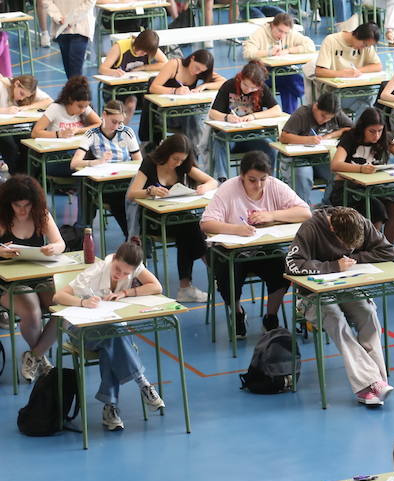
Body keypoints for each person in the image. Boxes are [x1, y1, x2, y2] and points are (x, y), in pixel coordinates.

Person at [285, 206, 394, 407]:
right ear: (333, 230)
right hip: (312, 295)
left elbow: (388, 251)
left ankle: (377, 384)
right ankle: (370, 383)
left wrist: (353, 260)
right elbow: (292, 264)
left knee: (368, 313)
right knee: (336, 320)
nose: (348, 250)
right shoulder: (310, 228)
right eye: (345, 246)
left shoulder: (359, 221)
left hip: (344, 286)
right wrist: (333, 265)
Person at [52, 240, 166, 432]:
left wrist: (126, 292)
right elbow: (58, 297)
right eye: (118, 269)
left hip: (110, 330)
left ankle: (110, 408)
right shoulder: (96, 271)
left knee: (111, 340)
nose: (120, 275)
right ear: (114, 259)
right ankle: (142, 382)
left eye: (126, 274)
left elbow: (156, 287)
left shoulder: (132, 267)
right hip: (79, 328)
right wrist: (82, 302)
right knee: (116, 334)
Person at [200, 151, 311, 334]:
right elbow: (206, 223)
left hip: (263, 248)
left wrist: (272, 215)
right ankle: (237, 313)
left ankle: (271, 316)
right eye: (252, 180)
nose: (258, 185)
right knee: (227, 273)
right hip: (228, 251)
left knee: (284, 267)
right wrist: (236, 229)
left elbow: (305, 212)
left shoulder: (275, 186)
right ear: (242, 176)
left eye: (263, 179)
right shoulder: (228, 189)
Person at [126, 133, 215, 301]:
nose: (178, 163)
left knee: (187, 231)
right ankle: (210, 264)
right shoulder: (150, 163)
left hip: (178, 217)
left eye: (182, 160)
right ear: (166, 153)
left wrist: (205, 187)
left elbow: (212, 181)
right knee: (191, 227)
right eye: (175, 159)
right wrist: (149, 191)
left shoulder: (183, 165)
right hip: (153, 220)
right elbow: (131, 194)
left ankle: (186, 287)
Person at [0, 175, 66, 381]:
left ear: (34, 203)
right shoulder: (2, 219)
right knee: (32, 312)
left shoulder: (41, 215)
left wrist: (54, 248)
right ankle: (40, 356)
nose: (22, 210)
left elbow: (60, 243)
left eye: (27, 205)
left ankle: (35, 355)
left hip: (39, 274)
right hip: (8, 281)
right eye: (17, 205)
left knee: (64, 308)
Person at [329, 108, 394, 243]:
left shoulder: (385, 138)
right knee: (376, 211)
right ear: (363, 128)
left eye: (380, 131)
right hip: (348, 188)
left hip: (376, 187)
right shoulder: (350, 137)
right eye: (372, 131)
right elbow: (335, 165)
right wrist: (360, 168)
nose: (377, 136)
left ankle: (387, 249)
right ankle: (373, 250)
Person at [70, 100, 142, 238]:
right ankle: (133, 237)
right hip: (105, 183)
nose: (116, 126)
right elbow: (74, 163)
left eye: (120, 122)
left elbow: (139, 161)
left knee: (132, 200)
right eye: (113, 121)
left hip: (126, 180)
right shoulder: (92, 134)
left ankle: (135, 238)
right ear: (104, 115)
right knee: (120, 200)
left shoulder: (127, 132)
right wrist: (96, 162)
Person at [207, 58, 284, 177]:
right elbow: (213, 113)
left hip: (251, 136)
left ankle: (268, 179)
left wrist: (254, 116)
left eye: (253, 88)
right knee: (219, 142)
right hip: (229, 137)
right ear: (241, 78)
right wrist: (227, 117)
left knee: (270, 148)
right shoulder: (229, 85)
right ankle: (223, 180)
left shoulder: (262, 88)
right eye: (245, 85)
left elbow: (277, 110)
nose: (248, 89)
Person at [279, 90, 351, 199]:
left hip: (321, 158)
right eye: (323, 116)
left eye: (329, 118)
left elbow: (351, 129)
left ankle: (327, 207)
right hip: (299, 159)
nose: (325, 120)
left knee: (339, 173)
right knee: (303, 178)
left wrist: (331, 135)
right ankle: (302, 211)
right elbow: (284, 137)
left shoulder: (335, 112)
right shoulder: (302, 114)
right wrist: (307, 140)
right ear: (315, 106)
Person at [241, 12, 314, 113]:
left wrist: (289, 50)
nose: (282, 35)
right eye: (280, 31)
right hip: (263, 74)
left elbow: (310, 45)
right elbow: (247, 53)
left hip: (282, 71)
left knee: (287, 86)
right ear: (272, 26)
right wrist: (268, 52)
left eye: (286, 33)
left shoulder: (289, 34)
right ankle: (302, 89)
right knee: (290, 79)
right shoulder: (260, 33)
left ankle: (289, 119)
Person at [314, 22, 383, 116]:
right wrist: (342, 73)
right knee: (366, 107)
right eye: (364, 44)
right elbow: (319, 71)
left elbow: (377, 66)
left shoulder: (366, 45)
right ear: (357, 34)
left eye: (367, 46)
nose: (363, 48)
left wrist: (358, 71)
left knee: (371, 101)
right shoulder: (331, 40)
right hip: (336, 92)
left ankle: (357, 129)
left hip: (358, 89)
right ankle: (358, 129)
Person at [32, 76, 100, 141]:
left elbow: (99, 124)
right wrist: (59, 134)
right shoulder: (55, 108)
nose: (83, 110)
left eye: (86, 106)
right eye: (80, 106)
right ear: (70, 100)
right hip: (58, 150)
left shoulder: (84, 106)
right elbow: (35, 133)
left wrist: (78, 130)